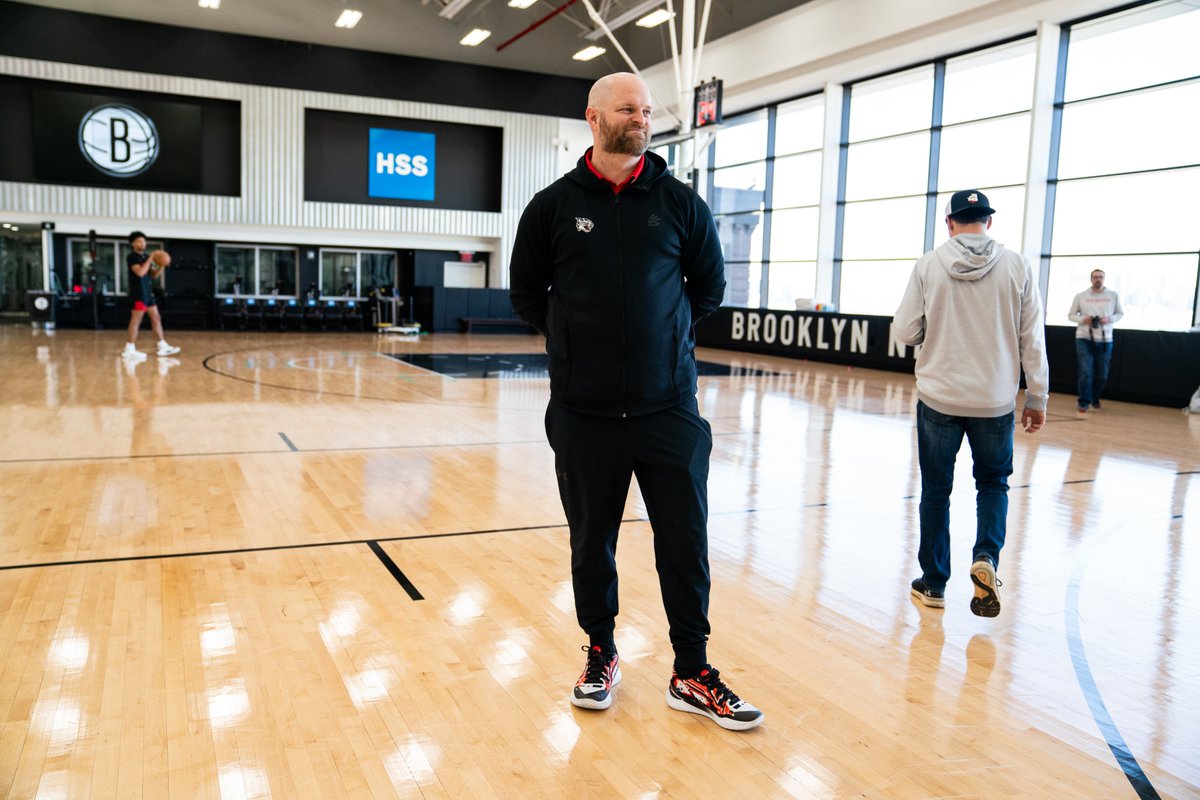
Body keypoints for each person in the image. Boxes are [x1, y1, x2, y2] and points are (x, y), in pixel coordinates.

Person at [509, 72, 762, 731]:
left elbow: (707, 288)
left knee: (685, 542)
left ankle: (692, 670)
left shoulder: (681, 204)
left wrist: (666, 336)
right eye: (629, 109)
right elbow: (526, 294)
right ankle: (600, 653)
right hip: (583, 412)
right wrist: (575, 342)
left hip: (668, 409)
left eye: (648, 110)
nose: (642, 119)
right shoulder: (552, 207)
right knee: (592, 542)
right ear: (594, 118)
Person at [893, 189, 1049, 618]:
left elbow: (905, 331)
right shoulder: (1016, 265)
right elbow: (1032, 338)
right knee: (993, 484)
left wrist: (934, 330)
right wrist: (1037, 395)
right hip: (994, 400)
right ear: (988, 223)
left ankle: (934, 583)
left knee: (936, 490)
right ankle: (986, 559)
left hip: (939, 395)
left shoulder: (929, 264)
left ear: (950, 223)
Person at [1068, 269, 1123, 413]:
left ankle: (1095, 397)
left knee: (1102, 373)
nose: (1098, 279)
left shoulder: (1113, 295)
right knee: (1086, 372)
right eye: (1095, 277)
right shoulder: (1081, 296)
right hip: (1084, 337)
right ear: (1091, 279)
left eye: (1101, 277)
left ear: (1104, 279)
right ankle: (1084, 401)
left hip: (1105, 339)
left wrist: (1108, 319)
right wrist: (1083, 319)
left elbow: (1119, 314)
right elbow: (1071, 315)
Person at [121, 231, 180, 361]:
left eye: (144, 241)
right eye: (139, 241)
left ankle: (162, 345)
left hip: (148, 293)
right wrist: (152, 256)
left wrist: (162, 265)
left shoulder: (145, 257)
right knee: (136, 320)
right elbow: (141, 272)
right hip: (138, 294)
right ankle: (129, 349)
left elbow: (153, 275)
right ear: (133, 243)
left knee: (156, 318)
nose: (142, 243)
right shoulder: (132, 257)